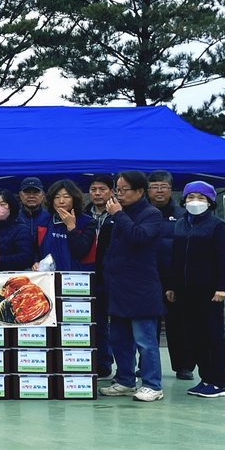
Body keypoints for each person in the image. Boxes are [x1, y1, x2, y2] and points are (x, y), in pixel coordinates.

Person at [99, 170, 167, 402]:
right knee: (119, 339)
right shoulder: (118, 214)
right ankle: (125, 380)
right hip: (118, 288)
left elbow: (139, 237)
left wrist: (118, 215)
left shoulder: (151, 214)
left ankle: (152, 384)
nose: (119, 194)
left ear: (139, 191)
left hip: (141, 289)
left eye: (124, 190)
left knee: (145, 341)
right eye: (117, 189)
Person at [166, 181, 225, 398]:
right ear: (184, 200)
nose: (195, 201)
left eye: (201, 198)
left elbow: (223, 259)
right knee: (194, 336)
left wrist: (222, 287)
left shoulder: (217, 225)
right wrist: (172, 285)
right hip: (185, 291)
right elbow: (176, 258)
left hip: (209, 291)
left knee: (213, 336)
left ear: (210, 202)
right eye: (191, 197)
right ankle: (206, 378)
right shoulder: (180, 225)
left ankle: (218, 382)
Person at [148, 169, 191, 380]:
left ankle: (183, 366)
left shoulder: (183, 215)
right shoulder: (141, 213)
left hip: (174, 279)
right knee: (148, 326)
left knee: (178, 324)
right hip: (147, 278)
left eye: (163, 187)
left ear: (171, 189)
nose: (159, 191)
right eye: (154, 186)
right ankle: (147, 365)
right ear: (147, 190)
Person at [86, 174, 117, 377]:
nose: (97, 193)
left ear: (111, 192)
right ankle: (95, 363)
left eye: (102, 189)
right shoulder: (82, 214)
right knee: (93, 321)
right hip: (88, 274)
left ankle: (108, 363)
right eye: (93, 189)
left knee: (111, 323)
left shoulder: (118, 214)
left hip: (112, 275)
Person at [36, 180, 96, 272]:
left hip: (76, 277)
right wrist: (35, 262)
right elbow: (36, 249)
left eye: (66, 196)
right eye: (57, 197)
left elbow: (81, 252)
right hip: (48, 276)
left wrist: (71, 227)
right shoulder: (43, 221)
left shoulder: (87, 222)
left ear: (74, 199)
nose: (61, 201)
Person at [0, 190, 34, 271]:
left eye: (3, 204)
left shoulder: (21, 229)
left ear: (11, 206)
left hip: (14, 275)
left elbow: (25, 257)